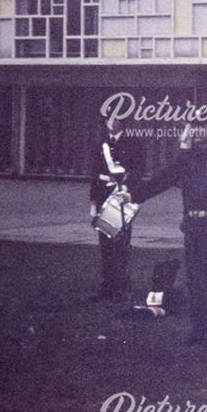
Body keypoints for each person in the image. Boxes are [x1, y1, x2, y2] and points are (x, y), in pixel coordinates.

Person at [128, 123, 207, 347]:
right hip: (193, 225)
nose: (198, 132)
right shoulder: (186, 158)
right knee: (195, 280)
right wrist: (133, 196)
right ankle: (198, 330)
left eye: (204, 127)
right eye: (196, 127)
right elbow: (161, 180)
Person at [88, 117, 144, 302]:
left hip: (122, 196)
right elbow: (94, 175)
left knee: (121, 243)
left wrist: (127, 188)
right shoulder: (100, 145)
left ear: (123, 122)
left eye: (116, 119)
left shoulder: (133, 143)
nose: (111, 123)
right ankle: (108, 286)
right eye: (108, 119)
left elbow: (138, 171)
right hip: (104, 196)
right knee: (105, 242)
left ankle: (122, 287)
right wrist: (93, 204)